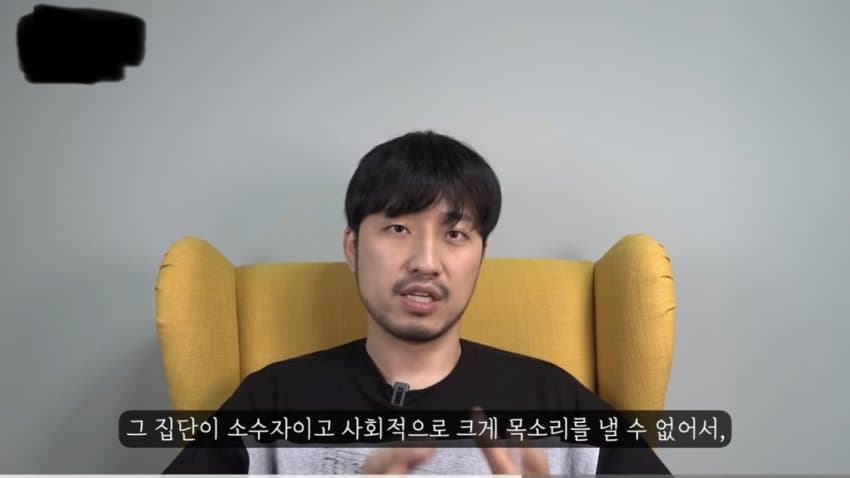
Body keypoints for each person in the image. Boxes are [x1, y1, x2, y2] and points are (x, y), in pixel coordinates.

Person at [163, 130, 670, 474]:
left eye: (455, 233)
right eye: (398, 229)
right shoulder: (273, 400)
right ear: (353, 248)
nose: (426, 262)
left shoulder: (552, 400)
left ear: (480, 259)